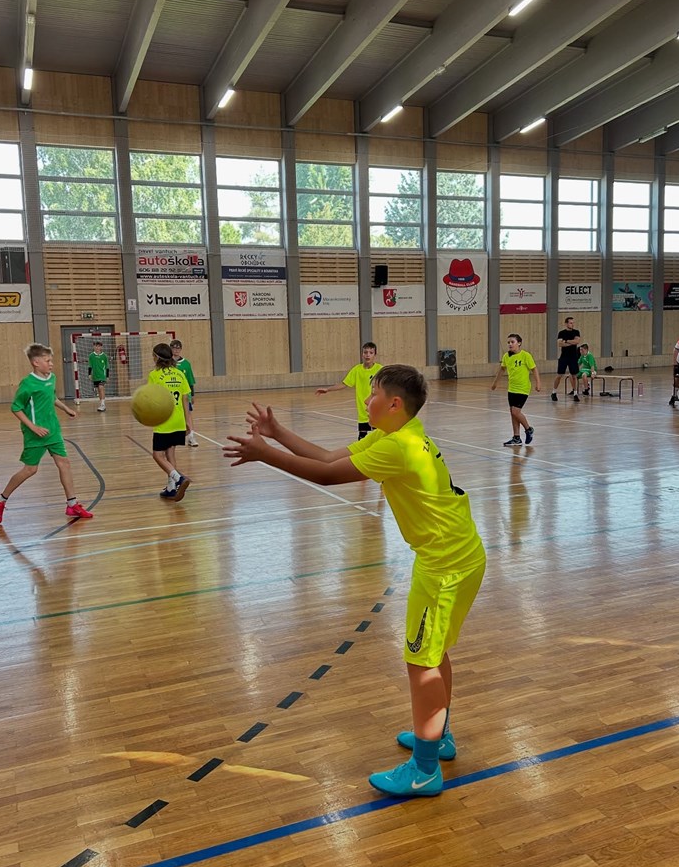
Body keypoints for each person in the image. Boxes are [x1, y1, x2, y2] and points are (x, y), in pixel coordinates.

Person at [224, 365, 486, 798]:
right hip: (460, 555)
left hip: (445, 566)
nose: (366, 399)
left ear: (394, 404)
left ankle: (424, 770)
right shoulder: (396, 434)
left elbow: (326, 477)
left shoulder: (398, 446)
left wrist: (264, 453)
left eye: (373, 393)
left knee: (421, 662)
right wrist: (277, 433)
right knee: (433, 653)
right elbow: (328, 458)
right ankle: (438, 737)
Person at [0, 343, 94, 524]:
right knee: (30, 469)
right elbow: (16, 408)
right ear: (36, 362)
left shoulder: (51, 378)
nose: (51, 364)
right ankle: (0, 500)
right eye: (47, 361)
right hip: (35, 433)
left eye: (51, 360)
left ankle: (72, 504)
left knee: (64, 463)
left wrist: (65, 409)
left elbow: (51, 397)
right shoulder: (28, 384)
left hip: (53, 430)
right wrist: (33, 427)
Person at [148, 343, 192, 501]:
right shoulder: (179, 374)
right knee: (170, 452)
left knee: (157, 455)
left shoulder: (154, 375)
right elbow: (185, 399)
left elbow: (151, 398)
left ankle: (179, 478)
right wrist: (188, 423)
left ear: (157, 357)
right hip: (178, 420)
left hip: (164, 420)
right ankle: (171, 488)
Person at [315, 342, 383, 438]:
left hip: (377, 410)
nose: (368, 355)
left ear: (375, 355)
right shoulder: (356, 370)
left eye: (371, 353)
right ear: (362, 354)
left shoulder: (380, 370)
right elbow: (344, 384)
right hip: (362, 411)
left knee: (379, 436)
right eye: (365, 352)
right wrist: (327, 389)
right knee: (362, 436)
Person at [491, 333, 541, 446]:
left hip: (523, 388)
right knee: (512, 413)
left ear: (519, 343)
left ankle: (528, 429)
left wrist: (538, 383)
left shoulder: (525, 355)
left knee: (515, 412)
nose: (510, 344)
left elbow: (534, 369)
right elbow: (502, 370)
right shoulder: (506, 356)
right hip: (512, 388)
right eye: (508, 342)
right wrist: (495, 383)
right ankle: (516, 438)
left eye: (512, 342)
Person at [170, 338, 198, 447]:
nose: (176, 350)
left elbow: (190, 381)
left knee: (188, 415)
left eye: (178, 348)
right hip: (171, 395)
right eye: (174, 348)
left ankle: (191, 437)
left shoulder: (186, 364)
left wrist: (192, 395)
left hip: (185, 395)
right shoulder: (167, 363)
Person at [551, 316, 581, 402]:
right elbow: (560, 344)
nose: (572, 324)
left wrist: (566, 341)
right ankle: (554, 392)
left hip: (573, 357)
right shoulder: (561, 333)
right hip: (564, 357)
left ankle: (575, 393)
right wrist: (571, 342)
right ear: (566, 324)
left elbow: (577, 341)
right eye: (571, 323)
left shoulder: (576, 332)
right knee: (559, 375)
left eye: (573, 323)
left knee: (574, 376)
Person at [87, 339, 109, 412]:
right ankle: (101, 404)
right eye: (96, 346)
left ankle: (103, 404)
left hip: (102, 375)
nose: (97, 348)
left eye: (99, 346)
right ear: (94, 347)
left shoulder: (104, 356)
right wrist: (89, 374)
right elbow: (90, 366)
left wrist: (107, 376)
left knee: (101, 387)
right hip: (95, 376)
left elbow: (107, 367)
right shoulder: (91, 356)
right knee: (99, 390)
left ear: (101, 347)